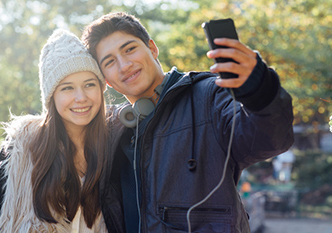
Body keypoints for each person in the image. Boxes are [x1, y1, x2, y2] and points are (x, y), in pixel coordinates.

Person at [82, 12, 294, 233]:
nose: (124, 65)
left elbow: (268, 139)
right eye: (110, 61)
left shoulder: (210, 94)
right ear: (106, 80)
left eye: (129, 49)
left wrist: (259, 89)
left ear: (152, 49)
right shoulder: (108, 129)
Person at [0, 29, 108, 233]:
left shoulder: (116, 147)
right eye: (67, 88)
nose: (81, 97)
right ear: (52, 97)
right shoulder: (19, 151)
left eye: (89, 85)